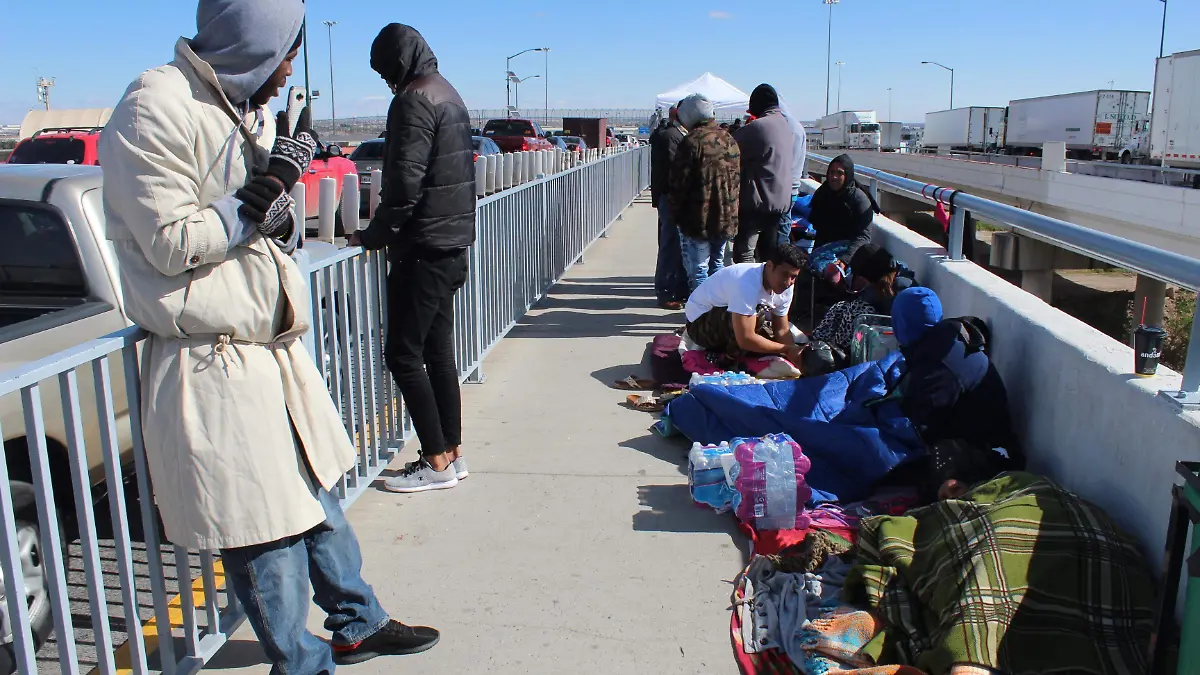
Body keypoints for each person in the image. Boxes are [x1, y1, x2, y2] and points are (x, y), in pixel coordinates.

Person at [98, 2, 438, 671]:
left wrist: (275, 204)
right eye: (284, 54)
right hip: (212, 354)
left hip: (268, 349)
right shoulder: (153, 107)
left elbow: (266, 230)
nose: (287, 74)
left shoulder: (235, 105)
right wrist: (265, 188)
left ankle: (356, 621)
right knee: (263, 537)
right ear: (250, 43)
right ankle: (302, 660)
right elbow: (172, 244)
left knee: (317, 502)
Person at [347, 24, 476, 494]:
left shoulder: (413, 100)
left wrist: (374, 234)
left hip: (422, 246)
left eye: (386, 72)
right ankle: (453, 453)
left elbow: (404, 183)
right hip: (452, 242)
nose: (386, 82)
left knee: (402, 353)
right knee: (438, 350)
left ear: (398, 62)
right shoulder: (450, 94)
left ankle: (436, 460)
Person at [890, 287, 1024, 483]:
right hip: (979, 439)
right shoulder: (946, 340)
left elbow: (922, 423)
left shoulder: (938, 364)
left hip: (986, 453)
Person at [683, 244, 807, 365]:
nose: (788, 282)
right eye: (784, 274)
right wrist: (785, 349)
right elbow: (746, 339)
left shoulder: (787, 287)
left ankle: (728, 350)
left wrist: (794, 354)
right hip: (698, 324)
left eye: (793, 277)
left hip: (724, 320)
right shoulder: (746, 283)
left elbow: (781, 329)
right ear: (769, 266)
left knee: (768, 342)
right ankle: (727, 361)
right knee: (758, 317)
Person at [669, 94, 741, 293]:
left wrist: (676, 214)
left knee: (698, 269)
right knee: (718, 266)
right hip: (726, 216)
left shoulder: (692, 141)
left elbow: (678, 184)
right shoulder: (729, 139)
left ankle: (700, 317)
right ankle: (717, 314)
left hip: (698, 218)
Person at [810, 243, 915, 355]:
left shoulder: (901, 286)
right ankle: (819, 342)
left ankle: (841, 352)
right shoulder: (879, 284)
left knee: (858, 308)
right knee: (842, 307)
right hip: (872, 328)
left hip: (887, 336)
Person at [732, 84, 794, 264]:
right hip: (780, 204)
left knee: (744, 255)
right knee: (769, 257)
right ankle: (767, 291)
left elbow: (729, 146)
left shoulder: (758, 127)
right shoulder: (787, 126)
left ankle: (748, 291)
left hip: (758, 204)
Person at [807, 154, 878, 279]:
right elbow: (817, 225)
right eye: (832, 172)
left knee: (838, 275)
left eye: (839, 173)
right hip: (825, 248)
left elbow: (863, 237)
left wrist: (845, 260)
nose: (834, 177)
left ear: (848, 175)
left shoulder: (859, 200)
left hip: (850, 251)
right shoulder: (822, 193)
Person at [650, 104, 689, 310]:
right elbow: (674, 172)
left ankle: (675, 289)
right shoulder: (672, 137)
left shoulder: (670, 135)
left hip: (669, 198)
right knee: (670, 246)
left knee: (674, 246)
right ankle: (665, 292)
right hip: (672, 199)